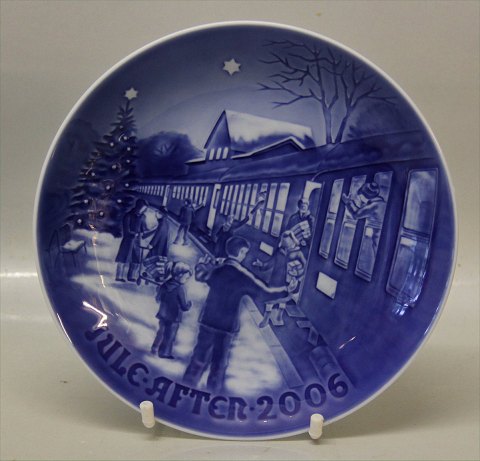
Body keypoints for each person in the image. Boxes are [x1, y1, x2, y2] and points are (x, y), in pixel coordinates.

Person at [183, 236, 293, 392]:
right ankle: (213, 393)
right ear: (241, 252)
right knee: (219, 364)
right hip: (227, 326)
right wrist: (287, 291)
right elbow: (265, 294)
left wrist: (203, 265)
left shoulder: (217, 269)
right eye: (244, 253)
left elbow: (200, 276)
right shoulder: (243, 276)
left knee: (198, 358)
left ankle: (186, 387)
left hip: (208, 320)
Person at [151, 262, 193, 359]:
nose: (187, 280)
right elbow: (184, 306)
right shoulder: (180, 288)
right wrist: (189, 305)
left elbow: (158, 298)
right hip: (174, 316)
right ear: (180, 275)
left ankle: (154, 348)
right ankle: (164, 353)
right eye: (186, 278)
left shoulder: (165, 284)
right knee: (170, 336)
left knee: (161, 332)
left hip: (163, 314)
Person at [341, 181, 386, 251]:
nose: (359, 197)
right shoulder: (381, 203)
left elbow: (356, 214)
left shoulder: (374, 206)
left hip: (378, 237)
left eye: (360, 195)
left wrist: (348, 202)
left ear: (365, 196)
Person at [115, 199, 148, 282]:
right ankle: (119, 276)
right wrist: (135, 234)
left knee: (136, 260)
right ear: (138, 207)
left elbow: (144, 228)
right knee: (123, 258)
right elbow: (126, 230)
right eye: (143, 208)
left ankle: (131, 276)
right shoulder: (128, 216)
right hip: (128, 241)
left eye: (145, 209)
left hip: (137, 242)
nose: (144, 210)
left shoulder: (143, 217)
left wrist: (145, 232)